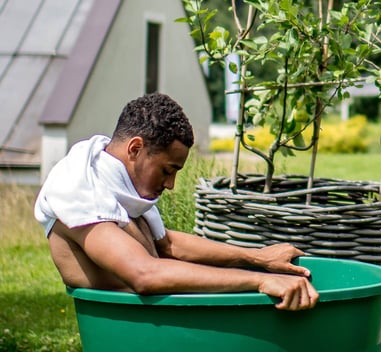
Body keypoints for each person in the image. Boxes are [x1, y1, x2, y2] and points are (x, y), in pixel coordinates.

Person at [34, 93, 319, 310]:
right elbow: (144, 274)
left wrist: (259, 257)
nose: (170, 185)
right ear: (135, 148)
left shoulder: (119, 184)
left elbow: (167, 244)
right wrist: (258, 280)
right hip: (123, 337)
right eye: (167, 170)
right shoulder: (78, 189)